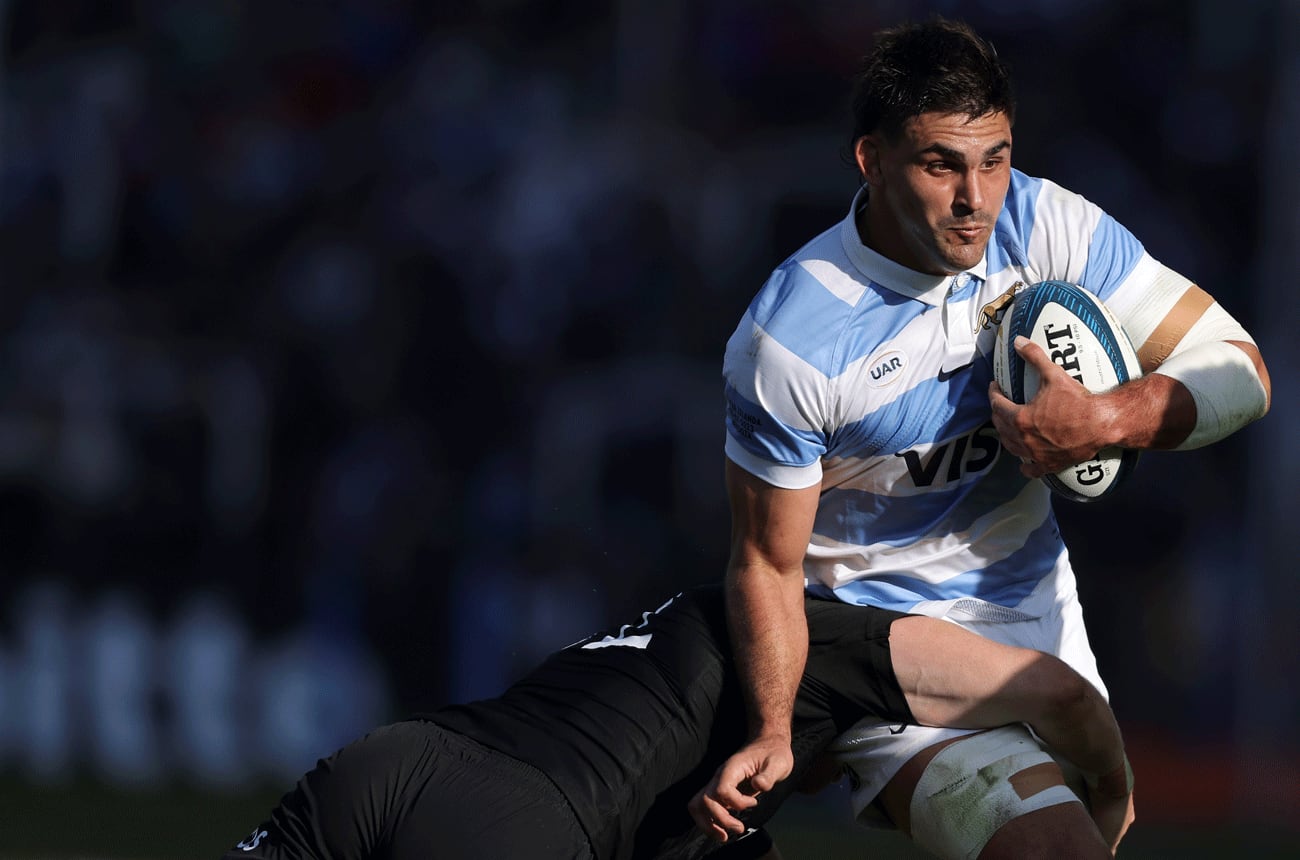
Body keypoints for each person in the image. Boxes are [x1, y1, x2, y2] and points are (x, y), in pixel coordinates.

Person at [707, 15, 1271, 860]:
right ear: (871, 160)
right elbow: (766, 561)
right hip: (885, 639)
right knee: (1052, 849)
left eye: (995, 158)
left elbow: (1243, 371)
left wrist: (1108, 419)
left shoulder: (1047, 227)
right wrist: (780, 728)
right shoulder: (792, 340)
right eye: (941, 164)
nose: (977, 199)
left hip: (1035, 613)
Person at [220, 583, 1131, 860]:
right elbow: (1053, 691)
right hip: (527, 821)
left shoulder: (676, 616)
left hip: (396, 761)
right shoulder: (826, 630)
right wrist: (1114, 791)